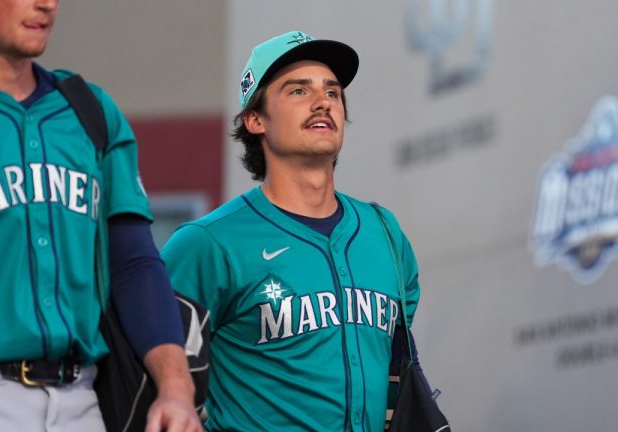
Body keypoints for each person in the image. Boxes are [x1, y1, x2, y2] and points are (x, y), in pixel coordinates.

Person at [0, 1, 202, 431]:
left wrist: (176, 388)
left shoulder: (87, 110)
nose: (47, 3)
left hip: (79, 400)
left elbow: (133, 264)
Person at [162, 30, 424, 431]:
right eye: (298, 91)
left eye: (333, 92)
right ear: (255, 119)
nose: (323, 102)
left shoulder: (384, 234)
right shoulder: (206, 244)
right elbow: (157, 380)